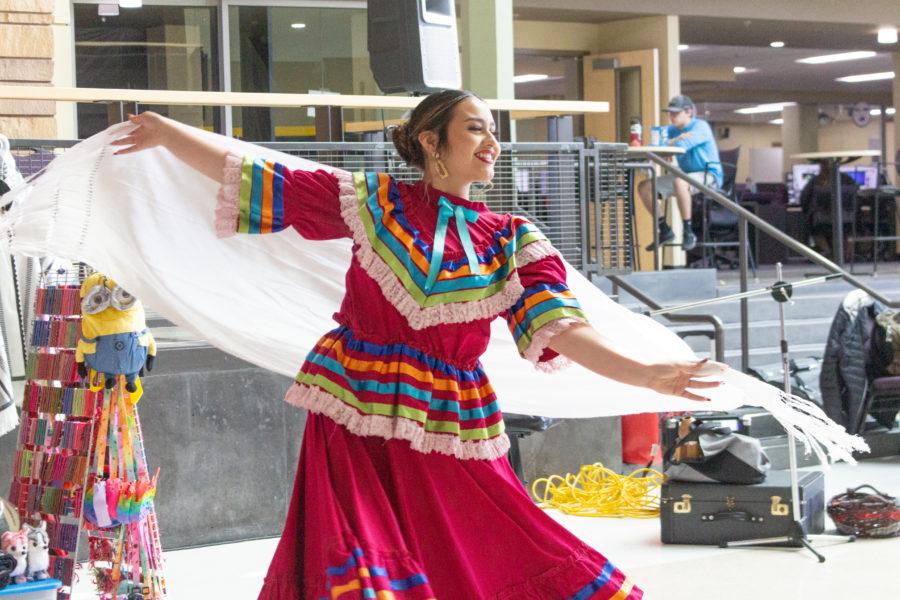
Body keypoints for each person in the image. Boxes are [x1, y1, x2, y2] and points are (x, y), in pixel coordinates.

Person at [111, 89, 721, 599]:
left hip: (449, 419)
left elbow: (564, 330)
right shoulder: (374, 203)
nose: (492, 144)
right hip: (354, 405)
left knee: (499, 536)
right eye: (475, 128)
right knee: (354, 545)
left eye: (494, 132)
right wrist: (168, 133)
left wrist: (649, 376)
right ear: (432, 141)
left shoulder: (513, 240)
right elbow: (259, 178)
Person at [637, 95, 723, 252]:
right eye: (670, 113)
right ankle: (664, 230)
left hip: (708, 175)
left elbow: (685, 145)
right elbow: (654, 145)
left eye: (676, 113)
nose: (672, 117)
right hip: (686, 175)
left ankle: (688, 232)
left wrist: (672, 142)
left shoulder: (701, 126)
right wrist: (673, 141)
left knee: (680, 182)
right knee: (644, 187)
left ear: (689, 112)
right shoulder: (672, 130)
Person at [799, 160, 858, 258]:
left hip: (821, 220)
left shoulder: (815, 181)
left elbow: (804, 199)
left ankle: (828, 252)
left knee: (810, 225)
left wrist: (807, 210)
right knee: (854, 226)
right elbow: (857, 195)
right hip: (847, 218)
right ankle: (848, 253)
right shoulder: (847, 179)